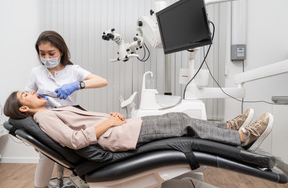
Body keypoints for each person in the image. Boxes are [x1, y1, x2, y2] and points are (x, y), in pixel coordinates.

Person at [4, 91, 274, 154]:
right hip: (118, 136)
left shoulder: (48, 112)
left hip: (120, 128)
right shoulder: (44, 116)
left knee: (181, 119)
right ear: (25, 108)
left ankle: (226, 128)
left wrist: (111, 120)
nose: (34, 92)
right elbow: (74, 140)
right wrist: (110, 122)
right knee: (181, 121)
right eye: (27, 94)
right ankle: (241, 138)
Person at [25, 30, 108, 188]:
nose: (47, 58)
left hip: (70, 119)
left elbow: (102, 81)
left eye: (51, 53)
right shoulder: (36, 72)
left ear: (61, 52)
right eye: (42, 54)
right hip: (48, 121)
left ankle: (85, 180)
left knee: (86, 144)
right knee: (47, 151)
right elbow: (26, 98)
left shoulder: (73, 70)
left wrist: (77, 84)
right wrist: (37, 97)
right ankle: (40, 186)